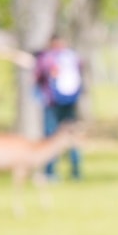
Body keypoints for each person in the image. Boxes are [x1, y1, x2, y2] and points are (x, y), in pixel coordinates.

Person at [33, 33, 83, 179]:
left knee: (51, 136)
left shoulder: (47, 58)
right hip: (71, 102)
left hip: (52, 103)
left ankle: (50, 172)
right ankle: (76, 172)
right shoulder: (73, 57)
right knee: (72, 135)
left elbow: (37, 76)